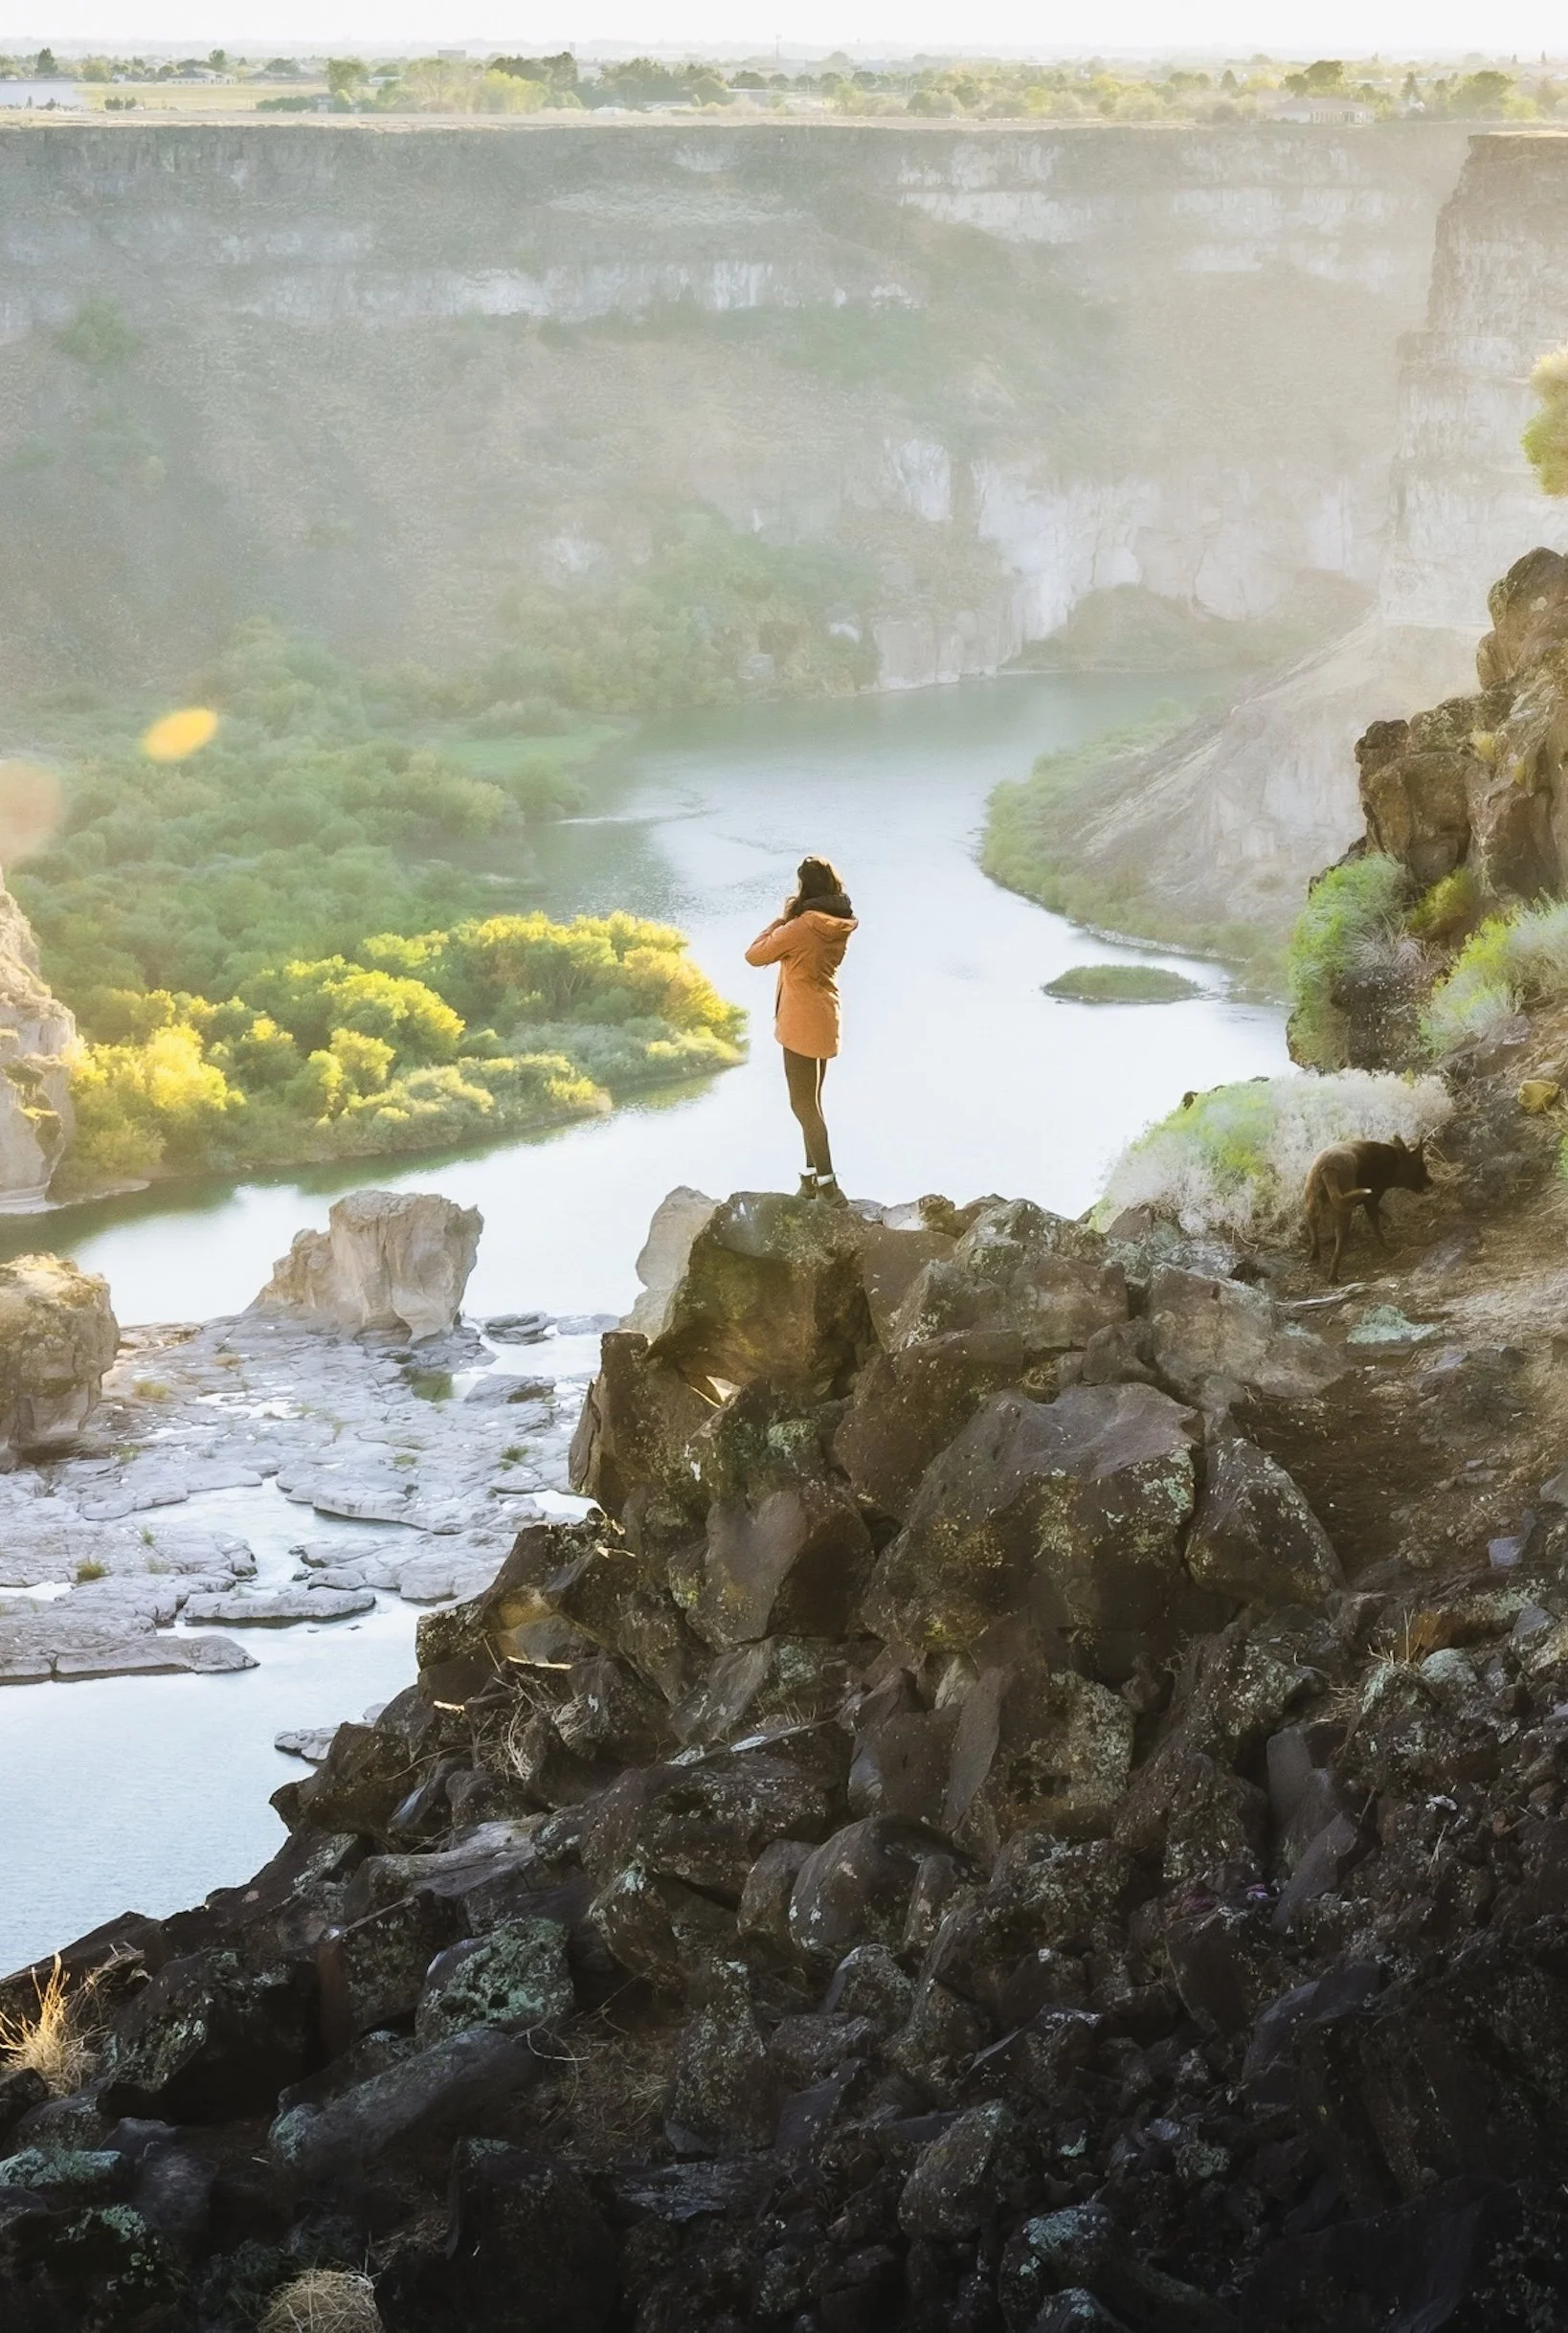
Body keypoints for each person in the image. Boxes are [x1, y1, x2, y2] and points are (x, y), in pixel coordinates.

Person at [745, 856, 858, 1197]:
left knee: (802, 1105)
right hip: (825, 1016)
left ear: (804, 887)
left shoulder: (801, 927)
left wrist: (782, 920)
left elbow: (755, 955)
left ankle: (829, 1188)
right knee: (813, 1103)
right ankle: (810, 1181)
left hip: (800, 1023)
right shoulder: (839, 921)